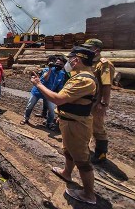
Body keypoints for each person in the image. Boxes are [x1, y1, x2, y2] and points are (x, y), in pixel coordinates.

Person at [30, 47, 97, 204]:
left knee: (82, 159)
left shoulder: (84, 80)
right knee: (68, 151)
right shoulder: (78, 76)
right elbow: (70, 101)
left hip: (77, 125)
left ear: (77, 60)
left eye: (70, 59)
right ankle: (67, 173)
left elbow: (58, 98)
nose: (68, 62)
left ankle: (89, 194)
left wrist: (38, 84)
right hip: (70, 121)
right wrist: (61, 115)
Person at [81, 38, 115, 163]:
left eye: (88, 48)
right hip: (87, 101)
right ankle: (84, 149)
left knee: (97, 127)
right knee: (85, 125)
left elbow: (106, 85)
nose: (86, 50)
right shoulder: (90, 63)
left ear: (96, 49)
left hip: (97, 103)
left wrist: (103, 103)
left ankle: (101, 155)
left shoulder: (104, 64)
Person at [21, 57, 66, 130]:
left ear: (63, 66)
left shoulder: (62, 74)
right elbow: (45, 78)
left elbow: (60, 86)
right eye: (57, 63)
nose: (58, 65)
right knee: (30, 106)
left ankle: (49, 123)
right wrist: (50, 69)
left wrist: (58, 95)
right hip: (37, 92)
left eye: (61, 64)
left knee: (51, 110)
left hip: (48, 93)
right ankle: (26, 118)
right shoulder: (47, 70)